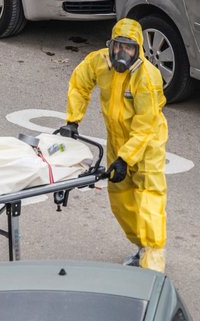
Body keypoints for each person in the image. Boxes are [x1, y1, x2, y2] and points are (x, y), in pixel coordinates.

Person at [58, 18, 168, 273]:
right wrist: (72, 121)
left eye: (129, 48)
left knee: (149, 197)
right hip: (117, 139)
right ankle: (141, 246)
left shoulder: (146, 77)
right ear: (111, 45)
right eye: (119, 46)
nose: (122, 53)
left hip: (148, 142)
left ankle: (153, 264)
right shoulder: (100, 62)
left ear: (138, 50)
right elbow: (79, 83)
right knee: (120, 198)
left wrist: (126, 159)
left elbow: (145, 124)